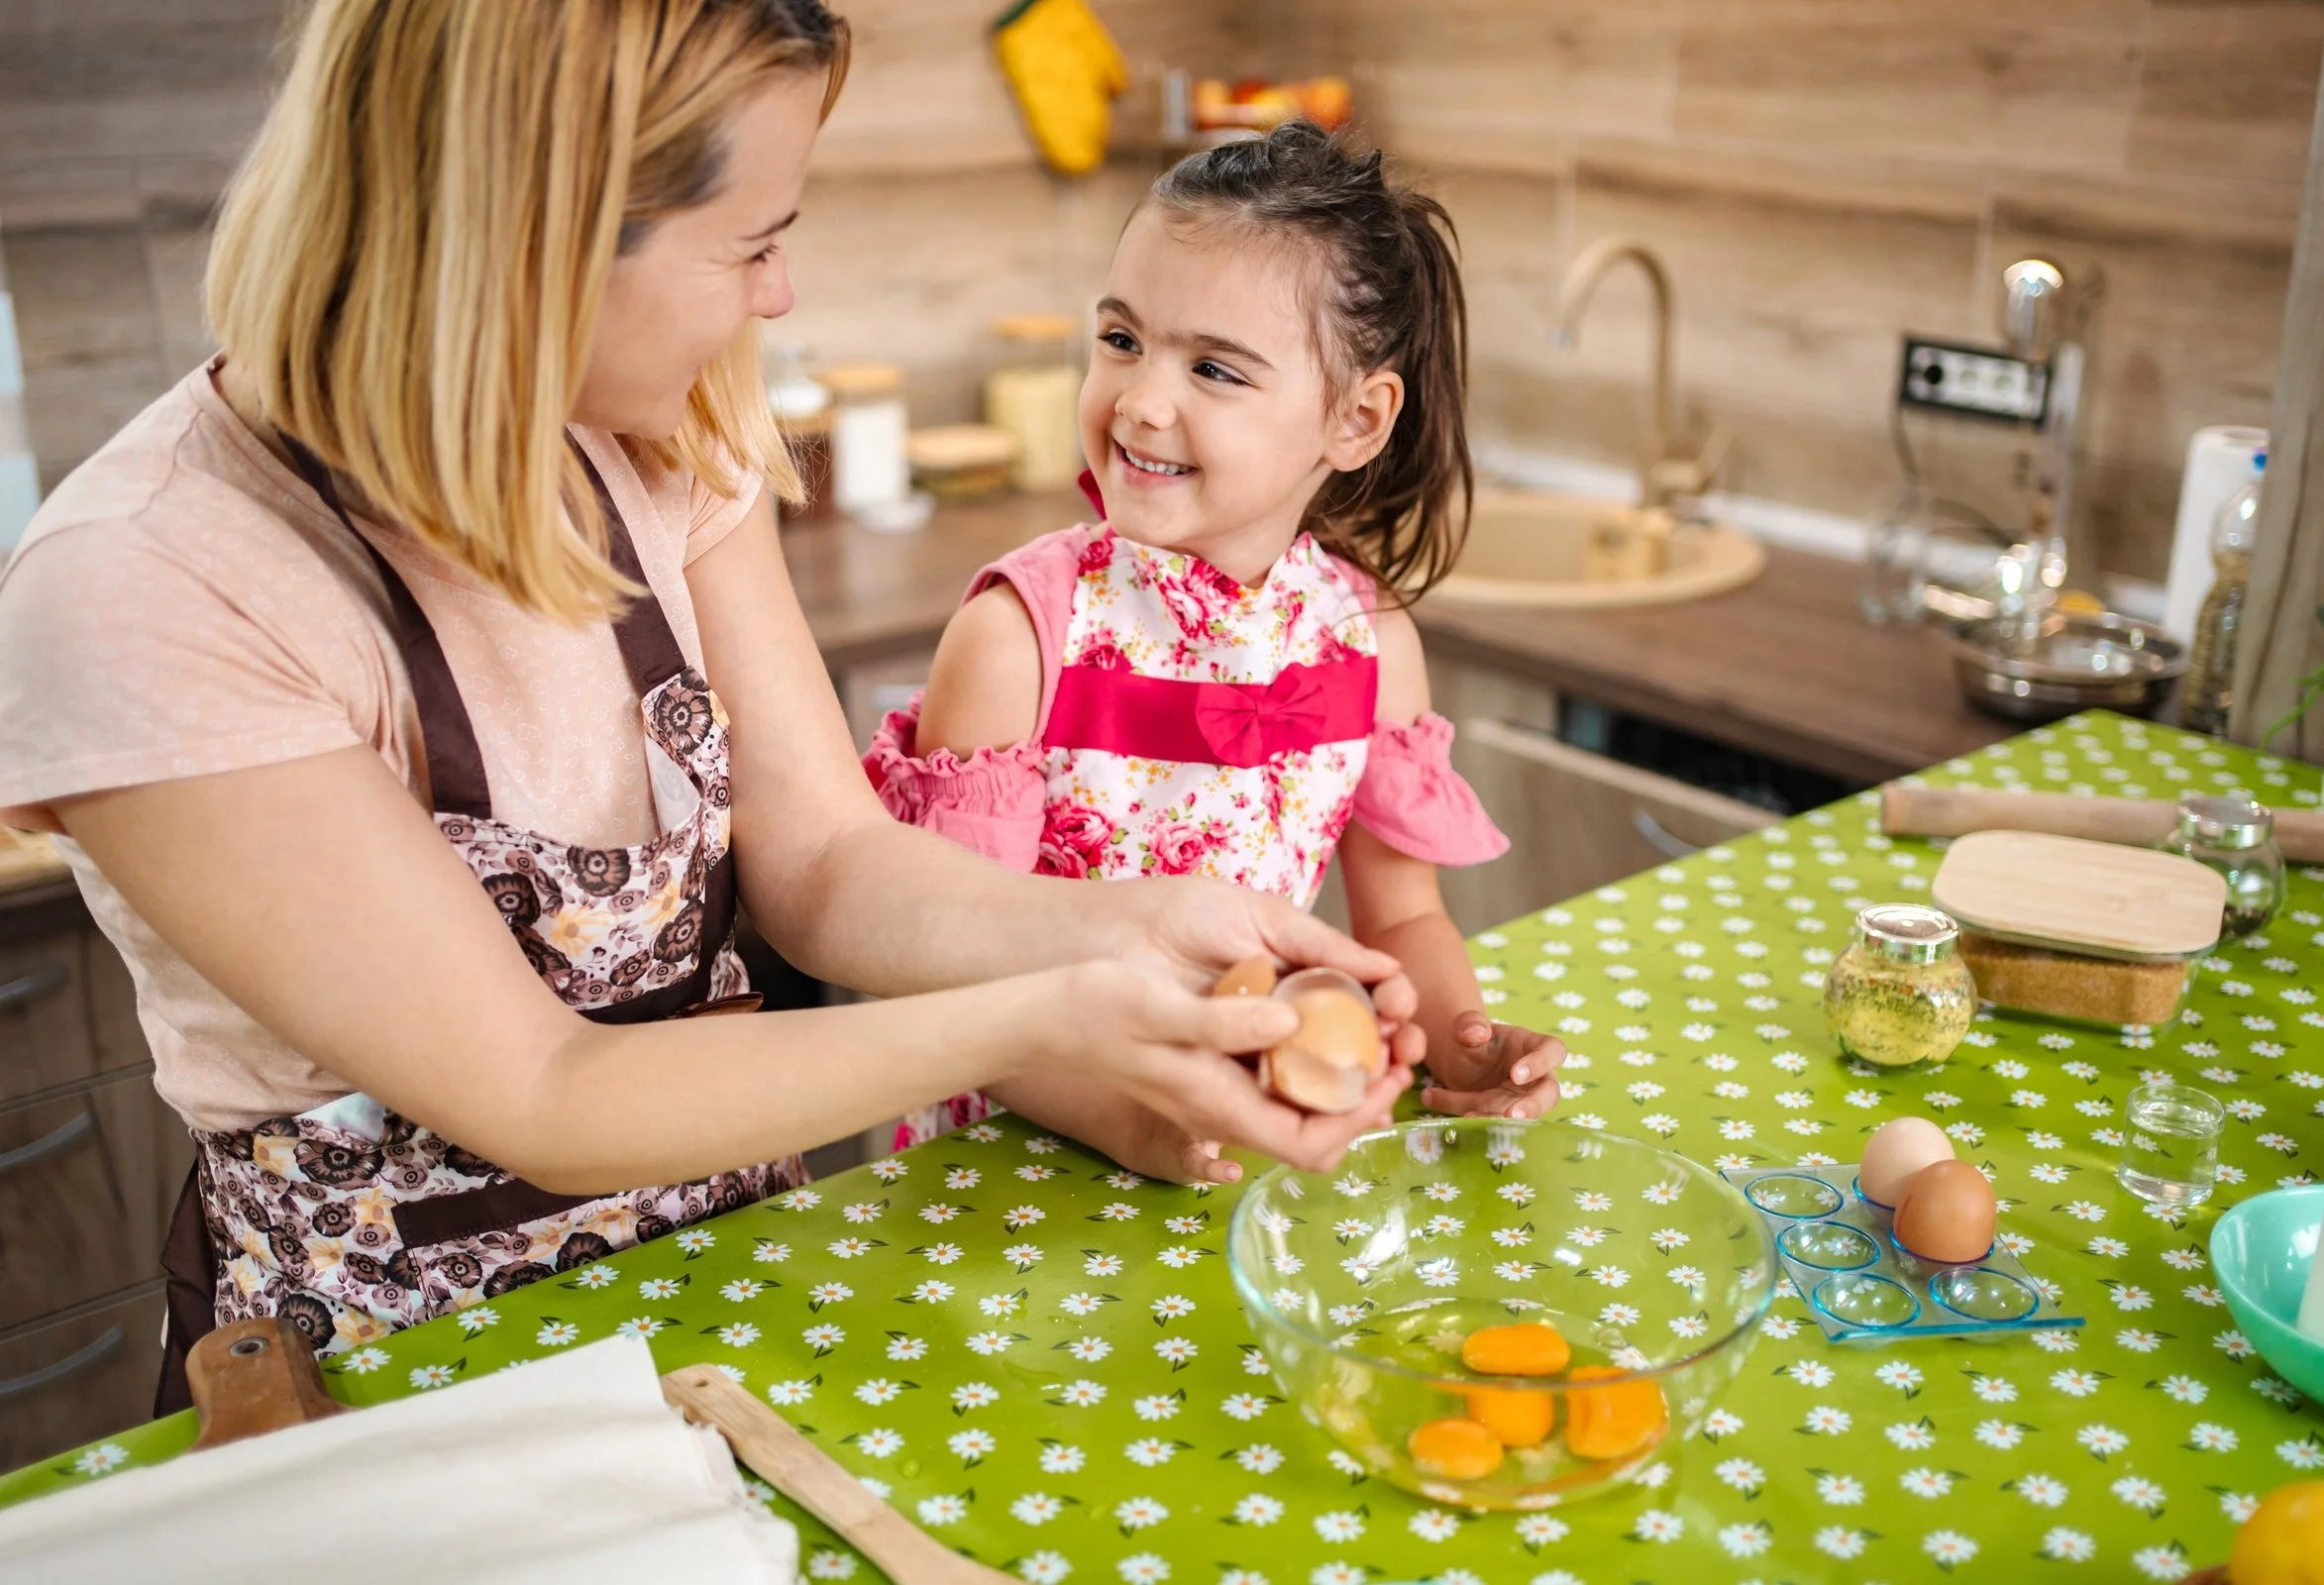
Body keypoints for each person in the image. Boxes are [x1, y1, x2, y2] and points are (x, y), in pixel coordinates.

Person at [0, 1, 1418, 1406]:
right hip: (401, 1387)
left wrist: (1136, 925)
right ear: (538, 245)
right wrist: (1045, 1016)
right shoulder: (148, 589)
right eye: (754, 242)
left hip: (742, 1300)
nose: (779, 294)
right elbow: (540, 1093)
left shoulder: (657, 433)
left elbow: (827, 865)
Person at [865, 123, 1560, 1171]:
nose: (1142, 401)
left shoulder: (1369, 644)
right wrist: (1122, 1115)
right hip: (1008, 1166)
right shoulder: (1020, 640)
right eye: (1122, 341)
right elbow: (944, 981)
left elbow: (1403, 917)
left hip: (1236, 1140)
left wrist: (1461, 1045)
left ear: (1357, 421)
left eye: (1217, 370)